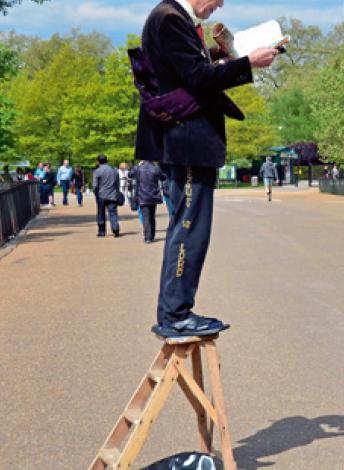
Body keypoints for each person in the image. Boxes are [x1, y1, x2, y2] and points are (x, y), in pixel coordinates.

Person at [135, 0, 278, 338]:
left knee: (188, 227)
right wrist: (247, 62)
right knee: (189, 228)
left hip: (186, 142)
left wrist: (220, 56)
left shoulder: (171, 17)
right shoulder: (170, 19)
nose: (220, 4)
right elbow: (196, 77)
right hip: (186, 142)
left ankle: (176, 311)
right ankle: (175, 314)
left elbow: (185, 71)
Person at [130, 160, 167, 243]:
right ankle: (152, 235)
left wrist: (137, 165)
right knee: (152, 216)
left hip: (142, 195)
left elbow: (130, 175)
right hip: (153, 194)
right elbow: (164, 177)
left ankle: (148, 237)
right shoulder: (155, 168)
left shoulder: (138, 168)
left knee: (146, 217)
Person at [93, 154, 121, 237]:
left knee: (101, 213)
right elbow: (117, 183)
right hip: (112, 194)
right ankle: (115, 229)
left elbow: (95, 185)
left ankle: (102, 232)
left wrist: (96, 195)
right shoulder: (114, 170)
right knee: (113, 213)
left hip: (101, 195)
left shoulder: (97, 171)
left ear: (98, 161)